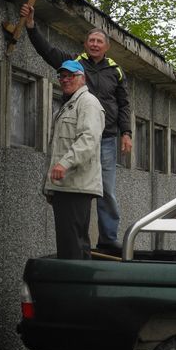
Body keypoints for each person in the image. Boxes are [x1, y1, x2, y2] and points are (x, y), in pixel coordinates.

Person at [21, 3, 132, 252]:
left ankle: (108, 238)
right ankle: (79, 240)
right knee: (76, 189)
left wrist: (126, 133)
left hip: (106, 138)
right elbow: (47, 51)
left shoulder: (115, 70)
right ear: (85, 44)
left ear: (106, 46)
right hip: (77, 137)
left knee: (106, 190)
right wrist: (31, 26)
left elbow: (124, 104)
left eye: (99, 41)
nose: (95, 44)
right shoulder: (74, 63)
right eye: (91, 40)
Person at [44, 60, 105, 260]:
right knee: (70, 244)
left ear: (82, 78)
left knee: (73, 246)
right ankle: (78, 278)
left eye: (71, 75)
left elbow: (89, 139)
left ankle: (76, 280)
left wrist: (65, 163)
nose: (65, 80)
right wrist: (50, 186)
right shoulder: (68, 105)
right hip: (65, 186)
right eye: (62, 76)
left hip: (76, 186)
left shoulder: (88, 103)